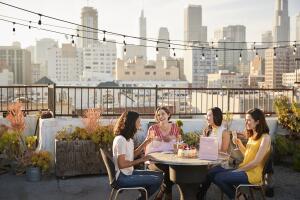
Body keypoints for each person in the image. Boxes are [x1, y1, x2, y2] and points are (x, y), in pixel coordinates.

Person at [201, 108, 271, 200]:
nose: (246, 122)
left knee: (219, 177)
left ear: (258, 121)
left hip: (252, 174)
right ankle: (240, 196)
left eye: (249, 120)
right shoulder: (253, 136)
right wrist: (239, 143)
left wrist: (238, 170)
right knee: (211, 173)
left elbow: (256, 162)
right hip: (244, 170)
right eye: (246, 120)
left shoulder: (265, 138)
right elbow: (247, 154)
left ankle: (238, 197)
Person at [112, 111, 164, 200]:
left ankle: (144, 192)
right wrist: (143, 159)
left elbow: (132, 155)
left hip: (128, 172)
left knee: (160, 176)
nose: (140, 124)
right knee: (157, 180)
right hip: (122, 177)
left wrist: (146, 142)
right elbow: (122, 164)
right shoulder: (120, 140)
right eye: (138, 122)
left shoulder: (128, 139)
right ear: (132, 123)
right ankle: (142, 196)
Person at [146, 106, 181, 200]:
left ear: (168, 114)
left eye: (163, 114)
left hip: (171, 159)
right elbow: (147, 147)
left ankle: (161, 193)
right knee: (169, 170)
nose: (160, 116)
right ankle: (168, 195)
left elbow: (180, 143)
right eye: (158, 115)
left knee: (176, 169)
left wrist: (173, 138)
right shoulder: (153, 128)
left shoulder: (174, 127)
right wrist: (154, 140)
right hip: (154, 161)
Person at [197, 107, 230, 199]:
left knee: (208, 172)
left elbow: (223, 152)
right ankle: (198, 194)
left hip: (219, 163)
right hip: (206, 162)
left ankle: (200, 195)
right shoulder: (207, 130)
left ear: (216, 116)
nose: (207, 118)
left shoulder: (224, 132)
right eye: (207, 116)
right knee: (194, 170)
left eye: (209, 115)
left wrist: (210, 149)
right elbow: (202, 149)